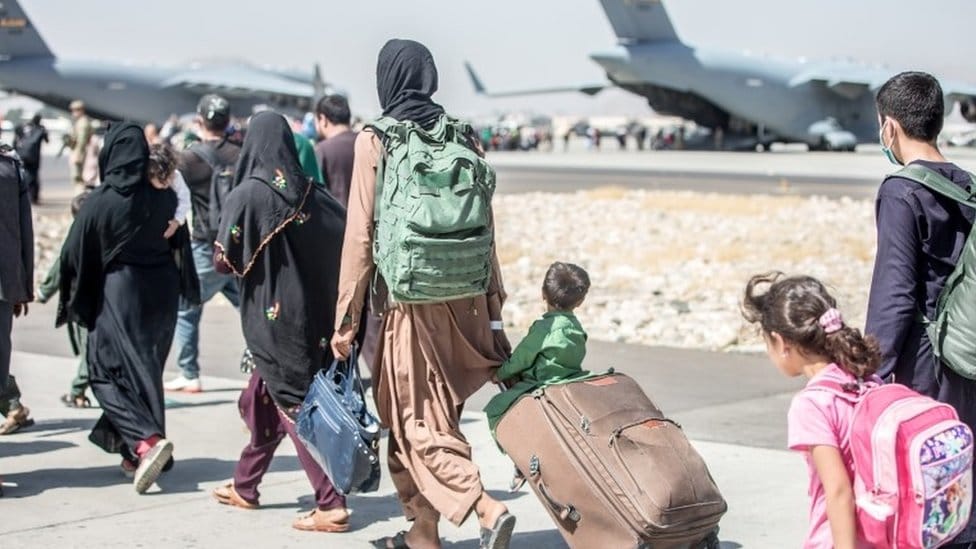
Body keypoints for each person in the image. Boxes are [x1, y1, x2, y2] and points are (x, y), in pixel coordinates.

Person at [331, 39, 515, 549]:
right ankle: (422, 531)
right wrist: (496, 308)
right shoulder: (463, 135)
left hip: (412, 304)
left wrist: (345, 319)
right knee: (425, 414)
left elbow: (359, 236)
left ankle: (482, 505)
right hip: (470, 300)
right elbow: (489, 230)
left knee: (414, 419)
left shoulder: (378, 140)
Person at [210, 111, 350, 533]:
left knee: (291, 404)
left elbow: (223, 261)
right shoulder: (313, 193)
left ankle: (330, 503)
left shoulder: (248, 195)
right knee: (262, 399)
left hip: (273, 322)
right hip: (315, 318)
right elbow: (343, 236)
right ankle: (245, 484)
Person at [866, 71, 976, 547]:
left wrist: (870, 371)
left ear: (890, 127)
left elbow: (894, 291)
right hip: (967, 351)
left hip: (925, 364)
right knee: (963, 469)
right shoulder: (968, 186)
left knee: (927, 478)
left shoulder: (901, 190)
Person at [58, 122, 197, 494]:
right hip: (163, 294)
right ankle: (134, 455)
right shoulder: (165, 194)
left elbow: (74, 252)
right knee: (144, 372)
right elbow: (180, 239)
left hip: (122, 293)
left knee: (104, 373)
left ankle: (145, 443)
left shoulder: (106, 199)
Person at [742, 272, 879, 549]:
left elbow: (839, 491)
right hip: (884, 533)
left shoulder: (812, 404)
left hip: (838, 540)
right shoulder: (865, 381)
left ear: (781, 343)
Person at [484, 262, 591, 493]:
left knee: (495, 409)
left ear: (543, 294)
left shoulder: (544, 329)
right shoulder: (575, 326)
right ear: (580, 301)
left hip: (539, 384)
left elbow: (521, 358)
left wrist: (499, 374)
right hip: (570, 379)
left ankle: (518, 457)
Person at [166, 94, 242, 393]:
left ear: (200, 121)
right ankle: (263, 367)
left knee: (187, 308)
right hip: (238, 245)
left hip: (205, 245)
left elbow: (171, 194)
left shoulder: (189, 158)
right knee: (250, 309)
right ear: (228, 121)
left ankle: (189, 372)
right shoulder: (241, 154)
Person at [36, 192, 94, 408]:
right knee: (90, 349)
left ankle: (77, 390)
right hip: (90, 303)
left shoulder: (77, 237)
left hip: (82, 303)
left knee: (89, 349)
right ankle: (79, 389)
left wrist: (43, 292)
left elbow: (61, 265)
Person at [0, 143, 34, 438]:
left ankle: (13, 406)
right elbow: (25, 233)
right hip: (5, 283)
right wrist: (22, 285)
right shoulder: (11, 168)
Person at [314, 94, 357, 208]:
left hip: (338, 219)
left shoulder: (322, 149)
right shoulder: (368, 142)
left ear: (323, 119)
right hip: (370, 221)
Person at [14, 114, 48, 204]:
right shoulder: (40, 129)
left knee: (24, 175)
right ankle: (33, 197)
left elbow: (17, 137)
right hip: (34, 157)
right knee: (34, 176)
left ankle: (25, 195)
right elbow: (47, 140)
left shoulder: (26, 127)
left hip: (23, 155)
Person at [68, 100, 93, 194]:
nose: (74, 112)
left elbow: (82, 141)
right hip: (77, 151)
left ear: (81, 110)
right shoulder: (80, 122)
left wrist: (78, 154)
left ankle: (79, 199)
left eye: (76, 110)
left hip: (79, 153)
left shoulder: (83, 123)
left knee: (77, 178)